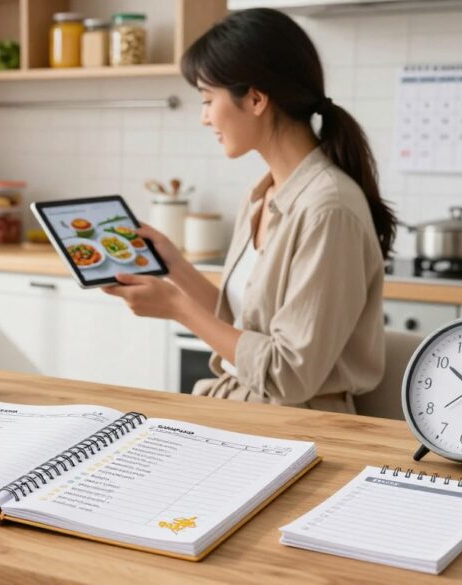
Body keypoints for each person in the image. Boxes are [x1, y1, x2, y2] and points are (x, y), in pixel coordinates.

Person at [103, 8, 396, 414]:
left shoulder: (328, 209)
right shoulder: (261, 195)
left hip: (301, 425)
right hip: (246, 410)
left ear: (256, 98)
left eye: (208, 100)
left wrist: (177, 307)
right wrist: (175, 266)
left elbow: (289, 375)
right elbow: (245, 327)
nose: (205, 117)